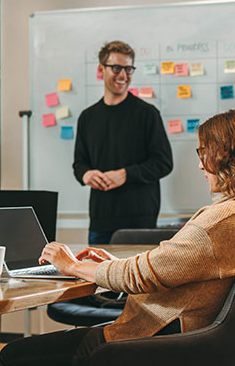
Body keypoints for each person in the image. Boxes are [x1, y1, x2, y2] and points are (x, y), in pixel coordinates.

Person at [0, 108, 235, 366]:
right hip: (187, 338)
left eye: (205, 152)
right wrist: (115, 264)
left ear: (229, 156)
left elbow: (141, 276)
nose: (201, 165)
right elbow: (170, 267)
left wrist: (71, 265)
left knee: (14, 355)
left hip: (151, 339)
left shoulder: (225, 220)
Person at [73, 40, 173, 244]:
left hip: (140, 221)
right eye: (116, 68)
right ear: (101, 70)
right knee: (95, 275)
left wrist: (125, 175)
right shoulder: (87, 117)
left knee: (137, 277)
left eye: (128, 69)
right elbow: (79, 163)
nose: (123, 75)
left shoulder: (147, 114)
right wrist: (86, 174)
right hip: (100, 220)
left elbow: (164, 163)